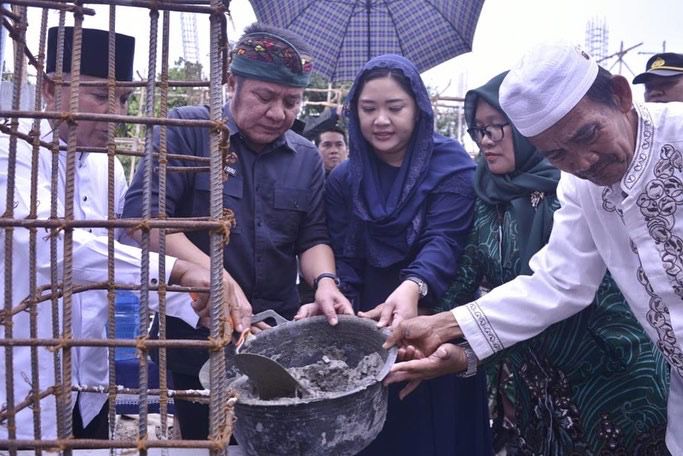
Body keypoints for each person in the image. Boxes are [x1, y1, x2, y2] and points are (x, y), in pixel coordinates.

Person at [384, 42, 683, 455]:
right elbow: (561, 281)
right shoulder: (579, 185)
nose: (583, 161)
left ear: (620, 95)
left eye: (587, 134)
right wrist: (443, 324)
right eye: (556, 154)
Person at [123, 23, 352, 440]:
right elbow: (145, 221)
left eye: (291, 101)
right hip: (195, 328)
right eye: (264, 97)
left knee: (275, 438)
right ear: (232, 83)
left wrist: (325, 281)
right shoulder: (188, 130)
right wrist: (216, 276)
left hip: (274, 333)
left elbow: (313, 236)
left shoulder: (305, 157)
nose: (279, 113)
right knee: (206, 439)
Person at [0, 27, 230, 441]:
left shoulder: (107, 168)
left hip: (88, 376)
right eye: (101, 96)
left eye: (125, 98)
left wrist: (196, 302)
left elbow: (125, 257)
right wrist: (180, 271)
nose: (118, 112)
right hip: (21, 377)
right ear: (51, 89)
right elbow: (50, 245)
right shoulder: (9, 153)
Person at [298, 54, 492, 455]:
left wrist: (413, 288)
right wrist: (341, 305)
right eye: (368, 109)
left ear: (418, 110)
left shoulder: (452, 167)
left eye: (394, 107)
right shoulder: (344, 179)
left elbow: (444, 241)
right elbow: (344, 255)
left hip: (434, 315)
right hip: (367, 325)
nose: (381, 120)